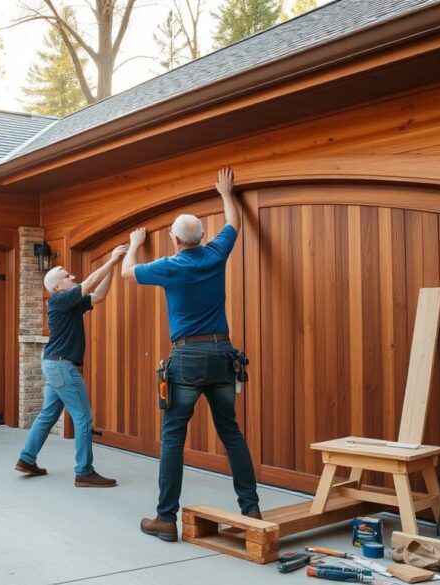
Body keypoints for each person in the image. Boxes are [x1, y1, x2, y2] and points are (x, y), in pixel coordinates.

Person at [121, 167, 260, 542]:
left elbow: (126, 273)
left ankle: (166, 519)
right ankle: (251, 510)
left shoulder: (171, 266)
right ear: (200, 237)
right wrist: (226, 193)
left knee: (173, 437)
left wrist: (134, 244)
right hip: (223, 354)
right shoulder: (216, 252)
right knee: (231, 433)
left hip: (187, 359)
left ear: (174, 239)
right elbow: (234, 223)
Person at [15, 244, 128, 488]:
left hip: (53, 365)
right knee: (83, 416)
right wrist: (111, 259)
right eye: (67, 276)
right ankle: (84, 471)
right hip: (62, 367)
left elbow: (98, 295)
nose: (72, 277)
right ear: (57, 286)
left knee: (48, 414)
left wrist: (112, 268)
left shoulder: (69, 303)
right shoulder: (58, 300)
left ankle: (26, 459)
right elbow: (87, 284)